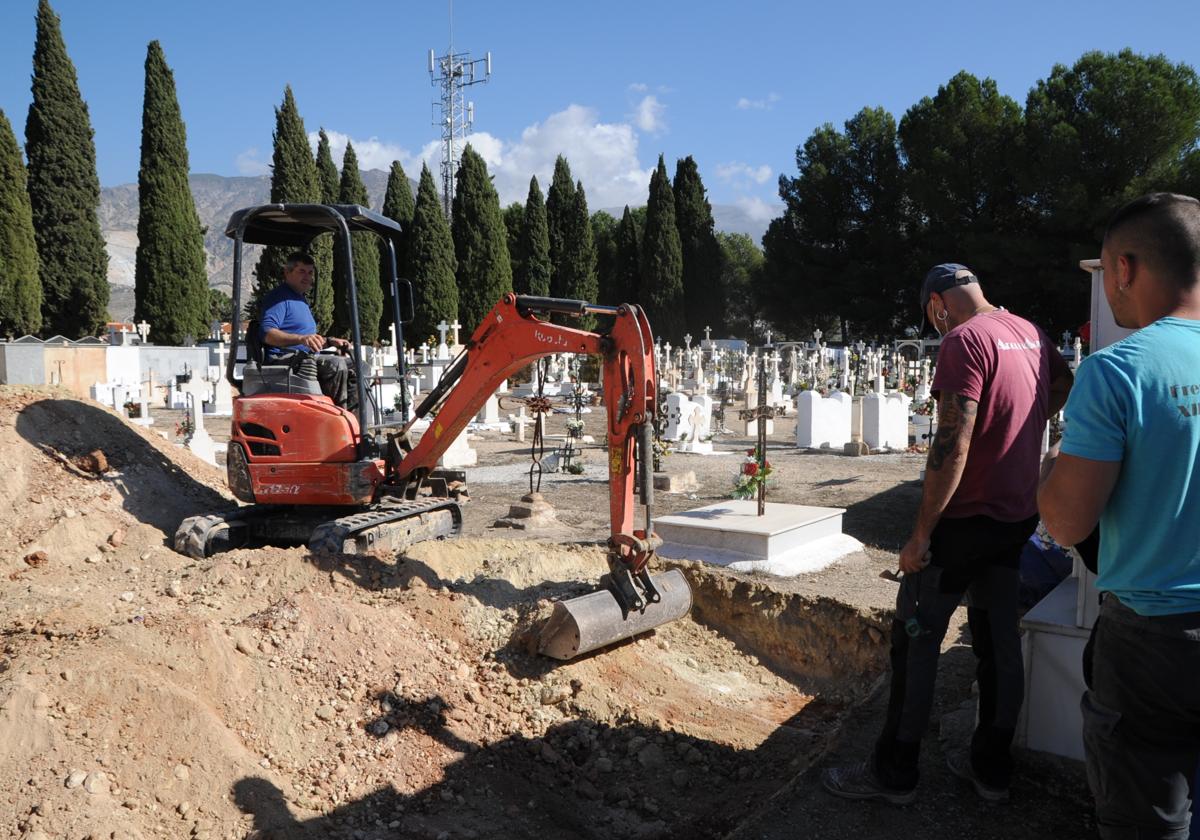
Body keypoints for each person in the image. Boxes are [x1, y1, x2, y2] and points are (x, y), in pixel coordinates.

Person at [823, 263, 1073, 805]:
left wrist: (920, 534)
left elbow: (953, 441)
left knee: (916, 643)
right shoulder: (1027, 331)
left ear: (939, 304)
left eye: (929, 315)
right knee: (998, 642)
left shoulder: (963, 340)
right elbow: (1062, 384)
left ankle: (895, 774)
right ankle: (992, 769)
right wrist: (1021, 428)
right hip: (1014, 521)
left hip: (961, 526)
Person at [1039, 193, 1200, 839]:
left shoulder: (1118, 370)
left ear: (1125, 267)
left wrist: (1048, 466)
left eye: (1104, 272)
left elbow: (1066, 524)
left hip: (1153, 640)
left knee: (1148, 819)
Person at [259, 252, 357, 411]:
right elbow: (267, 334)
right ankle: (339, 419)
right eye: (301, 271)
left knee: (358, 365)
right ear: (287, 272)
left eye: (310, 272)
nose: (307, 276)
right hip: (284, 360)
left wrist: (330, 341)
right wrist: (301, 338)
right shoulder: (279, 297)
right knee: (335, 364)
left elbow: (309, 340)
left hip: (303, 358)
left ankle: (358, 423)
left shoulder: (301, 300)